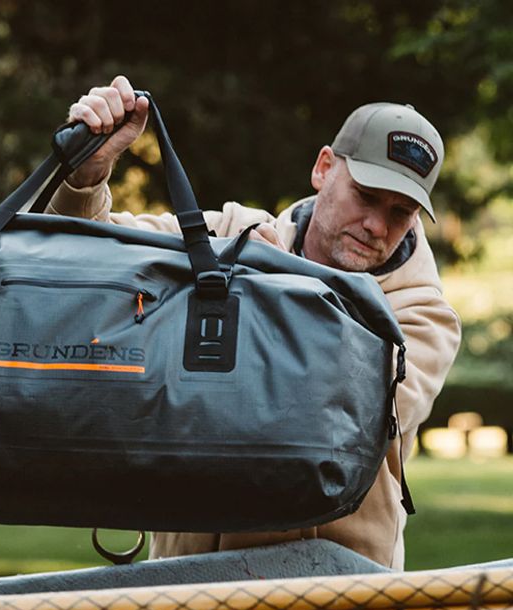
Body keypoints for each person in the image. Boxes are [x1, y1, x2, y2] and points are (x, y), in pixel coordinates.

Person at [47, 76, 461, 570]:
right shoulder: (228, 236)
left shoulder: (423, 317)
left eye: (402, 212)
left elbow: (347, 413)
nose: (377, 225)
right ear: (324, 168)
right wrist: (86, 176)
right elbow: (91, 255)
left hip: (343, 601)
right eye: (366, 196)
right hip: (182, 589)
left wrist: (274, 288)